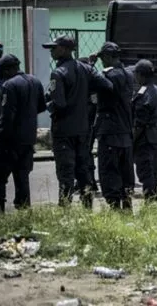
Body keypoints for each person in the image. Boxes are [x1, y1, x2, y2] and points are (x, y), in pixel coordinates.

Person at [44, 35, 113, 208]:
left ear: (64, 49)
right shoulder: (86, 69)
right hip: (83, 128)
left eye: (54, 48)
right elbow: (107, 85)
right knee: (83, 170)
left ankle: (65, 208)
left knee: (65, 172)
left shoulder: (58, 73)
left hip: (63, 130)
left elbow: (59, 104)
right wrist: (86, 94)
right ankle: (87, 207)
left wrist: (48, 104)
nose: (51, 51)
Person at [0, 54, 46, 214]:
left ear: (7, 70)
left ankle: (0, 213)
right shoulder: (35, 81)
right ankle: (24, 211)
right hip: (28, 139)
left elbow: (7, 117)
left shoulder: (9, 85)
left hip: (10, 141)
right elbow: (41, 107)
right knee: (22, 177)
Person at [94, 42, 135, 210]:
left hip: (110, 130)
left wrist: (90, 66)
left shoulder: (109, 76)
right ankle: (127, 204)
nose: (102, 62)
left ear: (108, 57)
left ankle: (114, 206)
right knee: (126, 170)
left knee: (109, 169)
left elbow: (94, 83)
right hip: (125, 129)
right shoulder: (129, 74)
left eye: (102, 58)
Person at [132, 59, 157, 201]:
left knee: (145, 169)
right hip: (154, 135)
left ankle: (150, 197)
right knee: (152, 167)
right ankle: (153, 195)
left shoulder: (144, 93)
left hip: (144, 137)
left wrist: (133, 138)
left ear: (141, 75)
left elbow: (141, 121)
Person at [78, 57, 100, 192]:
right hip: (90, 123)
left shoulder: (88, 84)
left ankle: (89, 182)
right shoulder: (91, 81)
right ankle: (89, 181)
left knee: (85, 152)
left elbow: (92, 105)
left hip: (88, 124)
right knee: (86, 151)